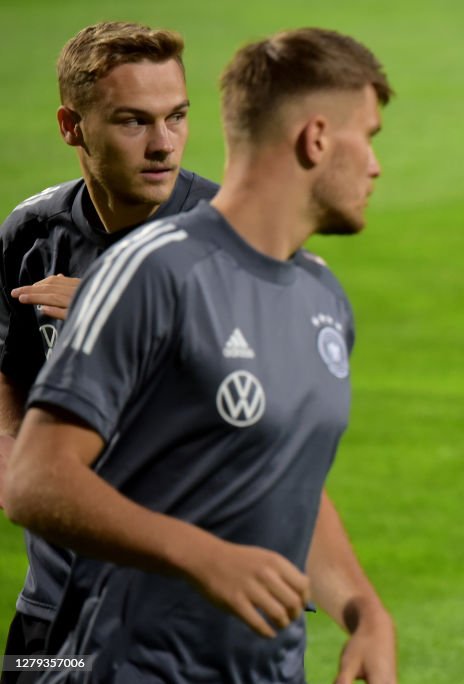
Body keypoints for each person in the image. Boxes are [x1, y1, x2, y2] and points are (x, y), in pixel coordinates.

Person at [3, 27, 396, 684]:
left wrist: (363, 609)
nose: (378, 165)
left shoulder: (321, 295)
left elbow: (285, 481)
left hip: (264, 665)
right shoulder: (150, 270)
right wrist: (206, 556)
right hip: (126, 661)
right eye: (371, 137)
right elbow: (35, 479)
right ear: (318, 138)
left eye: (175, 117)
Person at [0, 22, 217, 680]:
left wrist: (109, 306)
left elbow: (268, 404)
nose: (162, 145)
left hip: (185, 609)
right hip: (56, 602)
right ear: (73, 126)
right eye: (132, 121)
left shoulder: (228, 238)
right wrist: (12, 465)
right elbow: (8, 366)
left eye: (176, 117)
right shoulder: (32, 231)